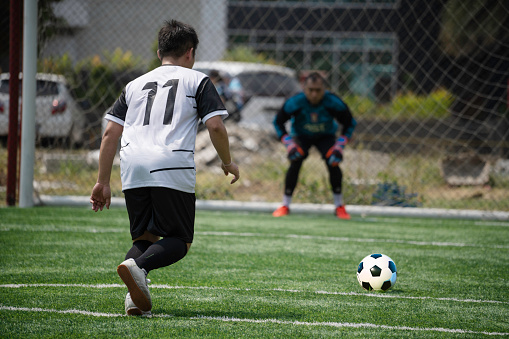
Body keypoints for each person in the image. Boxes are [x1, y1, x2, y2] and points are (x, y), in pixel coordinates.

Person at [89, 19, 240, 316]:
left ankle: (134, 298)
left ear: (159, 53)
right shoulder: (197, 80)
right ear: (191, 53)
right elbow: (216, 126)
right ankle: (139, 268)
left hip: (132, 167)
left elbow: (109, 134)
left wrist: (102, 182)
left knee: (144, 238)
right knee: (180, 241)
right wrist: (227, 161)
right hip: (170, 163)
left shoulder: (133, 85)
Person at [272, 72, 356, 219]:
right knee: (295, 159)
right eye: (311, 90)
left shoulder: (334, 102)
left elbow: (350, 124)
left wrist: (340, 145)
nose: (314, 94)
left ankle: (339, 206)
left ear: (325, 89)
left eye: (318, 90)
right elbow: (278, 122)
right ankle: (285, 205)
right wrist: (289, 144)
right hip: (301, 136)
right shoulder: (295, 102)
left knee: (333, 161)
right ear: (304, 89)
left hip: (326, 136)